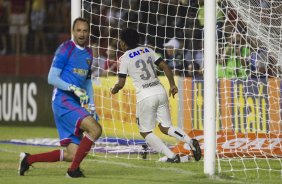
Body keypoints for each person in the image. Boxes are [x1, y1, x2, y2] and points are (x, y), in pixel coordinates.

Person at [18, 17, 102, 178]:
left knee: (72, 154)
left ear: (89, 32)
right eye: (78, 30)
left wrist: (92, 105)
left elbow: (87, 81)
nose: (82, 34)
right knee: (95, 129)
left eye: (85, 30)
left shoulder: (89, 53)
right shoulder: (66, 49)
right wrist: (72, 88)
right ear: (73, 32)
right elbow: (52, 78)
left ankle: (28, 159)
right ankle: (73, 171)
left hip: (73, 103)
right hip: (62, 100)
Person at [111, 28, 201, 163]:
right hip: (160, 90)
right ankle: (190, 141)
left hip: (146, 95)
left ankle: (171, 156)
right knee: (166, 127)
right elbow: (165, 66)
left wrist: (114, 89)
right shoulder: (148, 50)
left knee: (145, 132)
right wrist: (172, 85)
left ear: (123, 43)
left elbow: (121, 83)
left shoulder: (124, 58)